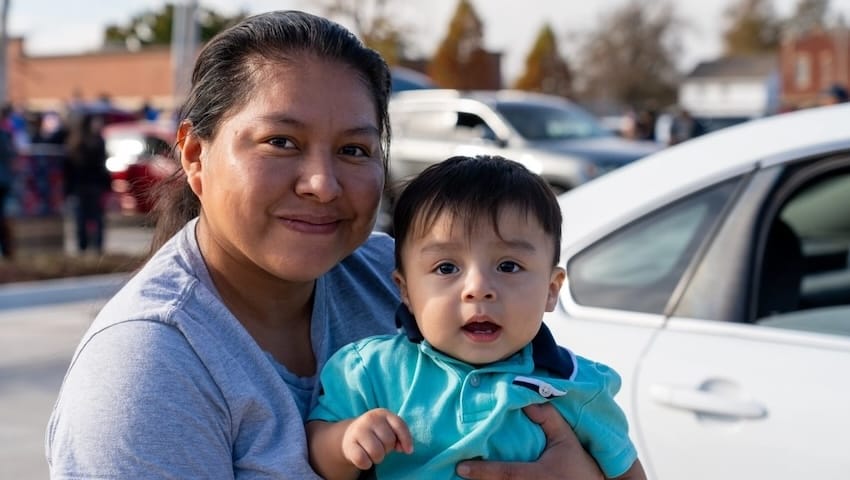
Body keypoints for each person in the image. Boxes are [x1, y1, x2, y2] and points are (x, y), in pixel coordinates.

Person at [46, 11, 604, 479]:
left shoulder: (405, 277)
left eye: (354, 150)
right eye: (281, 142)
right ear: (195, 155)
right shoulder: (145, 375)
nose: (322, 184)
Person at [307, 155, 646, 480]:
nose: (478, 289)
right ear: (406, 290)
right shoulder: (372, 370)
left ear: (551, 289)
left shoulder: (577, 386)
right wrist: (346, 441)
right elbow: (319, 456)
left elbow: (628, 473)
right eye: (446, 267)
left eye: (508, 266)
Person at [63, 112, 111, 254]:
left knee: (82, 218)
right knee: (95, 218)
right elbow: (101, 167)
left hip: (81, 187)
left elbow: (69, 170)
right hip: (92, 186)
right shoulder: (96, 142)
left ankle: (83, 246)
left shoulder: (74, 143)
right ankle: (96, 246)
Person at [0, 104, 16, 259]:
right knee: (4, 217)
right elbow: (10, 155)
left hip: (3, 181)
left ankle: (6, 250)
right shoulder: (4, 134)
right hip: (4, 181)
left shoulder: (4, 134)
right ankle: (6, 251)